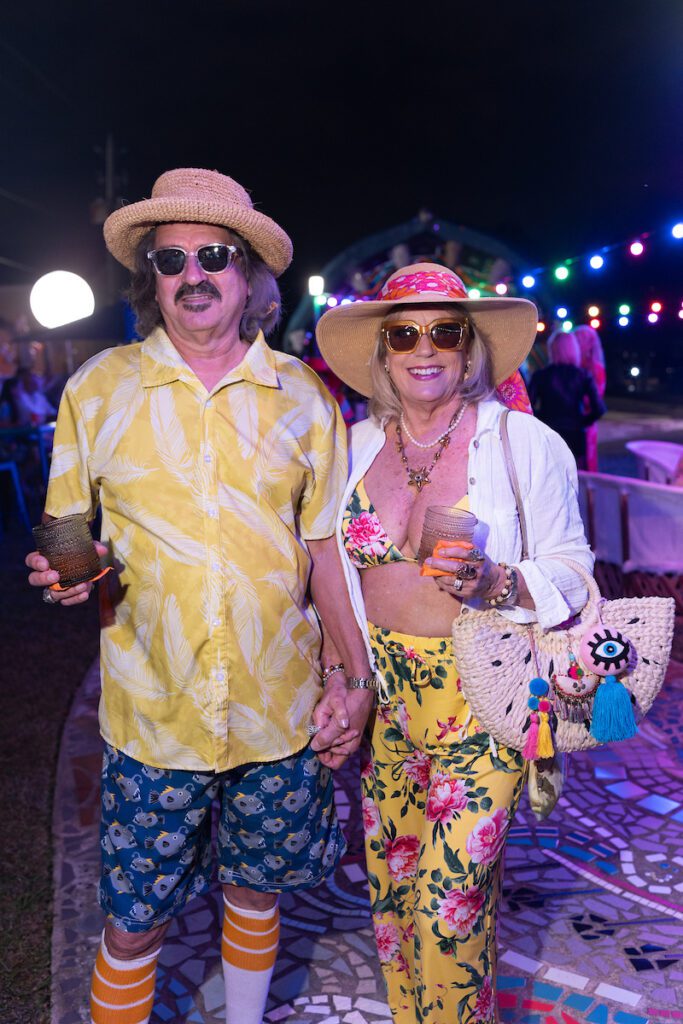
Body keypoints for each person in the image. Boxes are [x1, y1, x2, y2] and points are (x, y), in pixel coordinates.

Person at [25, 168, 375, 1024]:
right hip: (153, 713)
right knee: (135, 921)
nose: (193, 275)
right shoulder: (98, 388)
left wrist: (353, 676)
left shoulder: (302, 396)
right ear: (150, 278)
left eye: (214, 256)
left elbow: (324, 550)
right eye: (170, 259)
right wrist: (70, 576)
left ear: (248, 276)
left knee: (256, 893)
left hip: (276, 709)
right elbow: (68, 529)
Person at [315, 263, 594, 1023]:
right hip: (387, 704)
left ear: (469, 348)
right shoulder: (352, 447)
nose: (424, 348)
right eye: (404, 334)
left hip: (483, 698)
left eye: (445, 331)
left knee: (449, 905)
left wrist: (499, 581)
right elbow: (327, 575)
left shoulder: (522, 443)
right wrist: (339, 675)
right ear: (382, 351)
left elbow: (574, 568)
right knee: (397, 900)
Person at [528, 328, 605, 469]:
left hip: (548, 433)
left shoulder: (540, 375)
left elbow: (527, 407)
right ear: (574, 349)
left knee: (549, 476)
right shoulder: (583, 375)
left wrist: (542, 420)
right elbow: (599, 409)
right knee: (576, 477)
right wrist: (580, 421)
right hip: (575, 436)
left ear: (552, 349)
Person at [574, 323, 607, 472]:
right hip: (574, 421)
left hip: (585, 423)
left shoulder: (596, 369)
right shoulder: (572, 365)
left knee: (586, 461)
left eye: (580, 340)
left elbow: (597, 399)